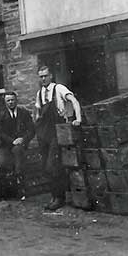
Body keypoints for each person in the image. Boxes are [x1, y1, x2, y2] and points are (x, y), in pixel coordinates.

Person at [35, 65, 82, 211]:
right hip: (44, 133)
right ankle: (54, 197)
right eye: (41, 76)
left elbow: (74, 101)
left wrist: (78, 118)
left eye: (45, 75)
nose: (43, 79)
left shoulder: (59, 88)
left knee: (53, 165)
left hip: (58, 131)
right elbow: (37, 112)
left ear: (51, 76)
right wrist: (37, 122)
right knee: (46, 167)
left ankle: (59, 198)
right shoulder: (40, 93)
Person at [0, 91, 35, 203]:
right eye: (8, 100)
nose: (11, 102)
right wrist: (12, 141)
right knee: (0, 165)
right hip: (5, 145)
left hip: (20, 145)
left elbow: (31, 130)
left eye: (12, 100)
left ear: (16, 100)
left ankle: (21, 191)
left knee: (18, 162)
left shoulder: (24, 113)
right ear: (5, 102)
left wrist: (23, 139)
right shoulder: (1, 116)